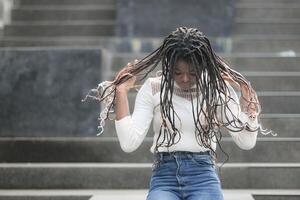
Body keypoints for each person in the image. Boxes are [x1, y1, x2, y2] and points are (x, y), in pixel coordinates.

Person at [85, 27, 272, 200]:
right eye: (177, 72)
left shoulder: (217, 90)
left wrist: (246, 94)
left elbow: (247, 142)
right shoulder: (153, 88)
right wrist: (121, 92)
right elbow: (128, 143)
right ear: (167, 65)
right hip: (164, 177)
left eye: (193, 73)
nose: (184, 79)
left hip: (203, 175)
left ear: (204, 66)